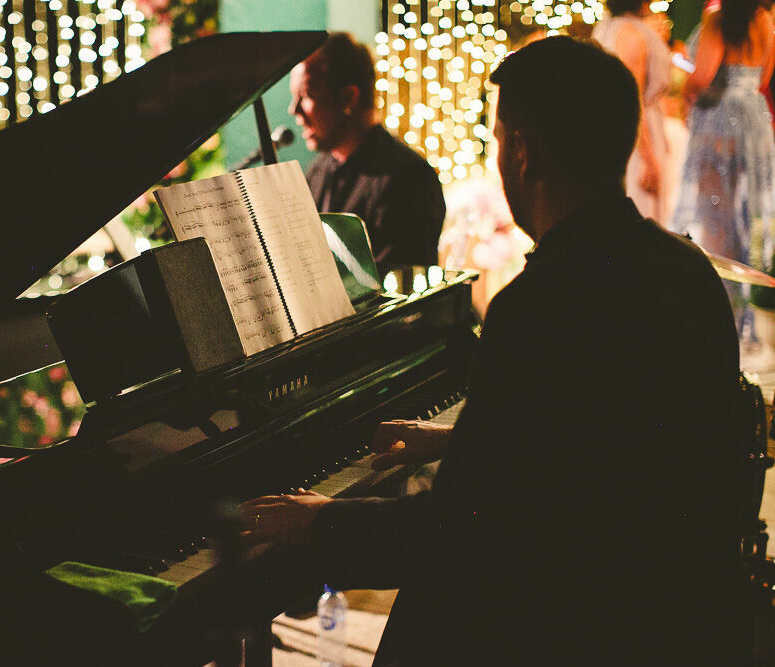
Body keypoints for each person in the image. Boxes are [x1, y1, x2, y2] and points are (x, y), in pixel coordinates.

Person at [243, 36, 746, 665]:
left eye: (496, 139)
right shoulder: (686, 272)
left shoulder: (538, 306)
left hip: (575, 618)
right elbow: (605, 438)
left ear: (524, 154)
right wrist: (454, 439)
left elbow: (461, 530)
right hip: (675, 606)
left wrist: (321, 523)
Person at [290, 33, 446, 273]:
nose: (294, 110)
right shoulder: (317, 172)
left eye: (307, 95)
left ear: (348, 97)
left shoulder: (408, 178)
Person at [671, 0, 775, 344]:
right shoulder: (764, 19)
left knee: (717, 221)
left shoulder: (717, 19)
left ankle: (726, 319)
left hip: (718, 122)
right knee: (749, 219)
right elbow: (765, 75)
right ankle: (747, 318)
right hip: (755, 121)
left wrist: (685, 84)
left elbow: (702, 75)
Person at [593, 0, 672, 222]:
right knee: (640, 210)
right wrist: (648, 157)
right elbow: (631, 99)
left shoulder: (612, 26)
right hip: (635, 136)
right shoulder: (630, 34)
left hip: (634, 128)